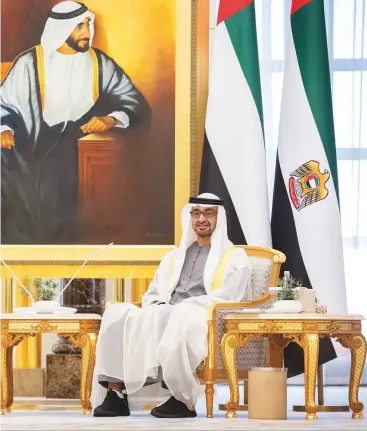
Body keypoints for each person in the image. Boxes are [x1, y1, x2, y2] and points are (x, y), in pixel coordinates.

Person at [0, 1, 150, 244]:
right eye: (78, 26)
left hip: (73, 143)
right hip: (29, 143)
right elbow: (3, 104)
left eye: (88, 24)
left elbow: (133, 101)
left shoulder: (100, 64)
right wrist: (4, 128)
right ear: (61, 29)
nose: (86, 33)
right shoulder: (29, 64)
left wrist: (110, 119)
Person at [92, 193, 252, 418]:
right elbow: (154, 291)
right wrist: (157, 304)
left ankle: (181, 399)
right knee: (116, 313)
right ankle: (116, 393)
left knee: (180, 316)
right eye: (196, 213)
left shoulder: (235, 256)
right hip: (167, 309)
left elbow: (230, 295)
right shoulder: (174, 257)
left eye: (208, 213)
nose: (201, 219)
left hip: (200, 314)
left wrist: (187, 305)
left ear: (220, 218)